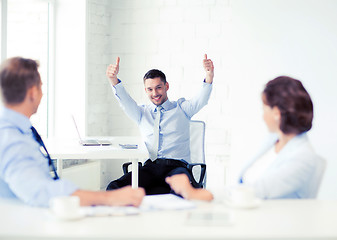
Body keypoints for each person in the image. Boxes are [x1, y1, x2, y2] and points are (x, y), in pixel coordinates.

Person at [0, 57, 145, 207]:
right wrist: (109, 198)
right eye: (41, 87)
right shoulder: (12, 140)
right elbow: (41, 191)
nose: (42, 95)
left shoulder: (17, 131)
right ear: (32, 93)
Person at [166, 76, 324, 200]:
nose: (262, 116)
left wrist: (194, 193)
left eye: (264, 109)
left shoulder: (303, 157)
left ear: (276, 113)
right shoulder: (272, 141)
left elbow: (257, 190)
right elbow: (244, 182)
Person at [105, 54, 214, 195]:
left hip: (177, 168)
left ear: (166, 86)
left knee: (181, 192)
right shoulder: (141, 113)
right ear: (146, 91)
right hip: (150, 168)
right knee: (113, 187)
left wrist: (209, 75)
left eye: (158, 88)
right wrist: (113, 80)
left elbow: (201, 99)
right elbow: (124, 101)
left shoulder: (182, 109)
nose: (155, 93)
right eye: (150, 89)